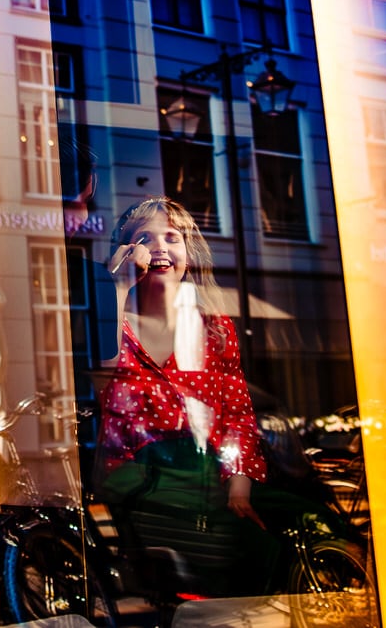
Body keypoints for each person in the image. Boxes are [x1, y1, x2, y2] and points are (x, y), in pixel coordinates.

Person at [98, 196, 272, 594]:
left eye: (172, 238)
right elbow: (100, 384)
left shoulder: (214, 328)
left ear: (189, 253)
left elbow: (238, 414)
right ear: (126, 253)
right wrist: (118, 288)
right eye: (144, 239)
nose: (159, 247)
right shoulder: (112, 326)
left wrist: (240, 485)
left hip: (208, 479)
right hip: (136, 483)